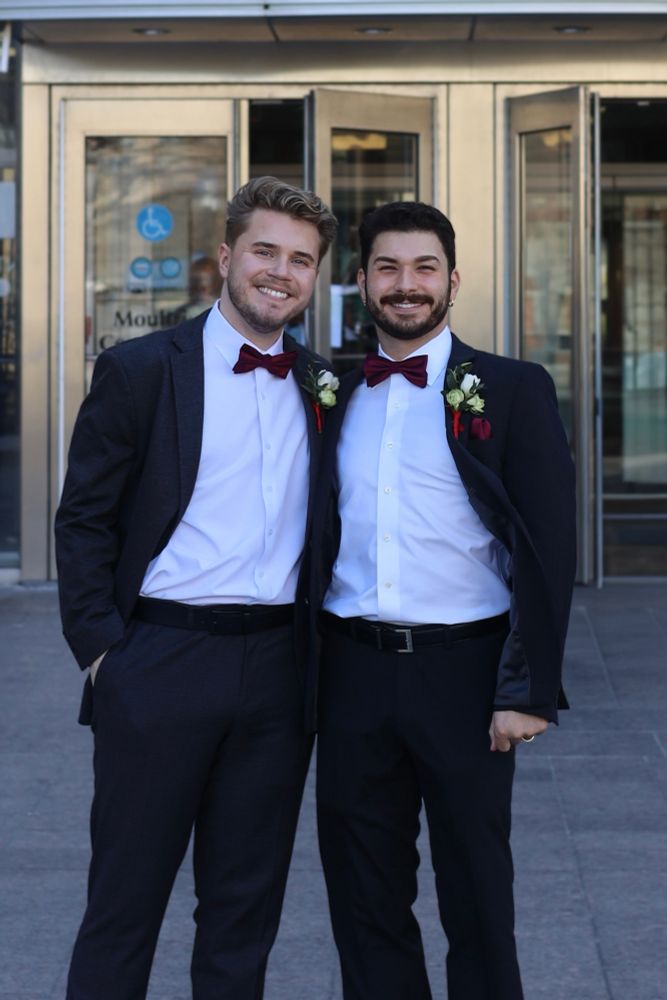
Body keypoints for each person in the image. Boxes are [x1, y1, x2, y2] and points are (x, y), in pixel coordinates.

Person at [55, 176, 337, 1000]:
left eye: (300, 259)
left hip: (279, 676)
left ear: (314, 275)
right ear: (225, 258)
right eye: (264, 252)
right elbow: (83, 520)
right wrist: (104, 653)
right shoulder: (142, 369)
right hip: (158, 661)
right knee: (124, 904)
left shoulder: (325, 386)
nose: (279, 272)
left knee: (243, 913)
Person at [312, 201, 576, 1000]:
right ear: (360, 282)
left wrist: (527, 689)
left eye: (424, 268)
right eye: (387, 269)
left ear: (452, 280)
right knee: (363, 895)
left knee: (476, 892)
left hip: (465, 673)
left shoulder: (512, 388)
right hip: (350, 672)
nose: (406, 286)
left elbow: (547, 545)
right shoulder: (329, 391)